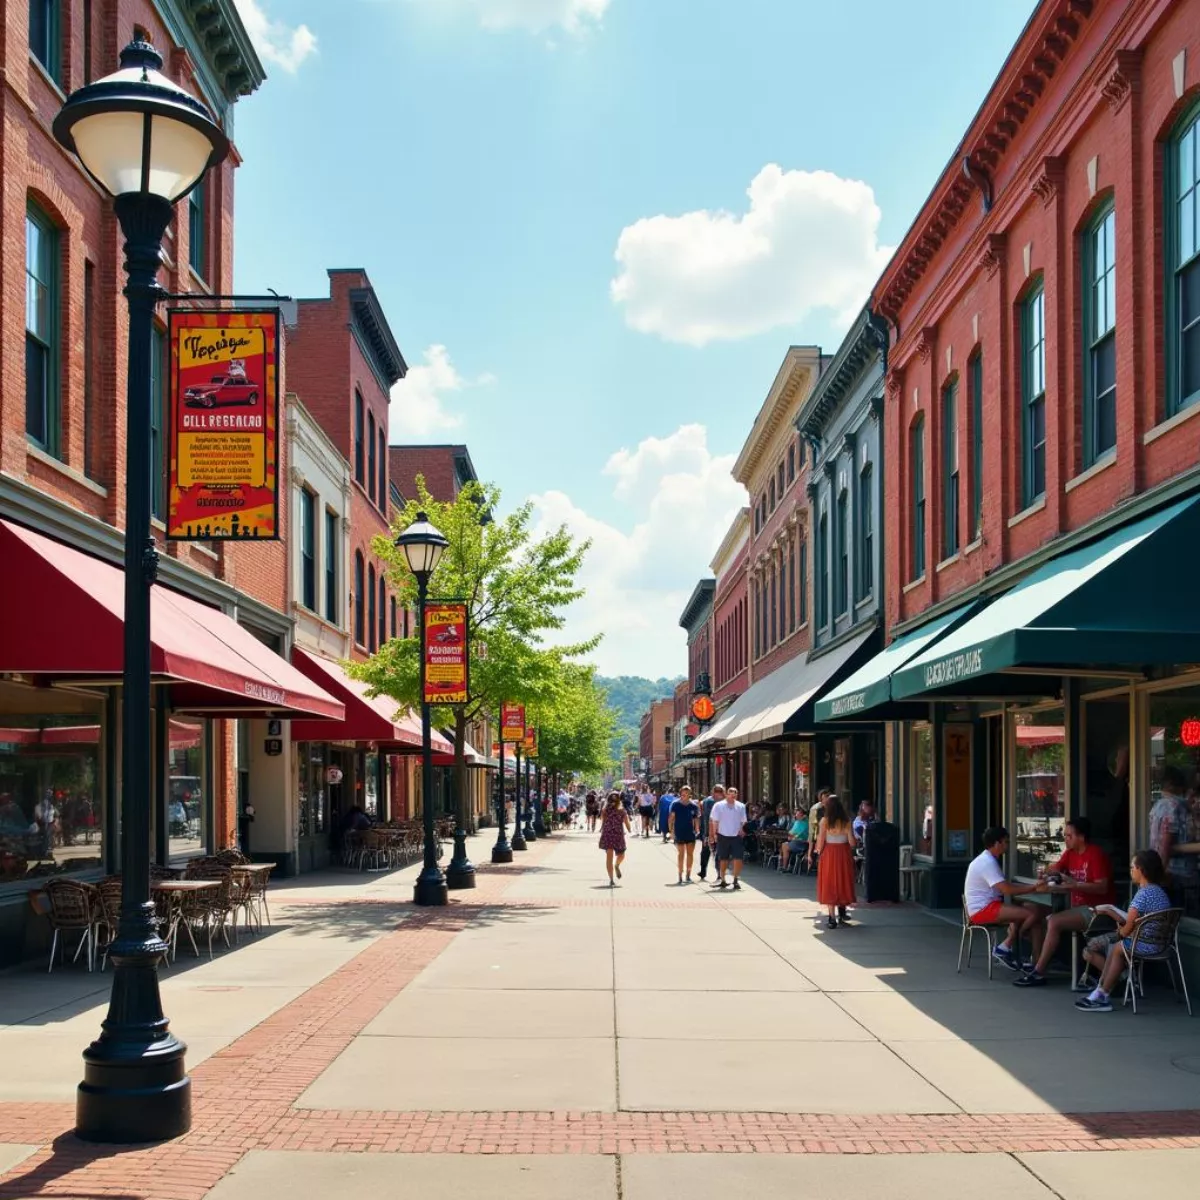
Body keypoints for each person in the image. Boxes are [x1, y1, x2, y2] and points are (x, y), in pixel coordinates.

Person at [1014, 816, 1114, 988]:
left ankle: (1039, 972)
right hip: (1077, 908)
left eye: (1069, 836)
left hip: (1098, 911)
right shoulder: (1070, 853)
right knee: (1039, 914)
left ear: (1081, 837)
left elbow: (1102, 887)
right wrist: (1048, 875)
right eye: (1065, 835)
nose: (1065, 839)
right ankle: (1040, 961)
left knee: (1054, 920)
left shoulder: (1095, 854)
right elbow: (1056, 870)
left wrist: (1076, 884)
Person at [1076, 849, 1173, 1012]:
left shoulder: (1142, 895)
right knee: (1118, 947)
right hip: (1162, 945)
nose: (1131, 871)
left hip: (1144, 944)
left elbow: (1128, 927)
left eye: (1132, 867)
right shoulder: (1160, 892)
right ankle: (1101, 990)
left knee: (1117, 947)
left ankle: (1102, 993)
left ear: (1141, 870)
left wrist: (1118, 932)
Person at [964, 826, 1048, 970]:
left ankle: (1036, 963)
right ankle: (1008, 944)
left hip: (989, 906)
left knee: (1035, 916)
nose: (1007, 845)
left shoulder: (987, 859)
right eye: (1006, 842)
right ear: (997, 844)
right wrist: (1034, 888)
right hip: (982, 910)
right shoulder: (987, 863)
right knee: (1033, 914)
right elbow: (1007, 890)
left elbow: (1004, 887)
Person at [1149, 765, 1195, 899]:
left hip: (1164, 869)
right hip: (1177, 872)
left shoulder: (1158, 805)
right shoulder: (1175, 806)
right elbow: (1166, 840)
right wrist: (1160, 873)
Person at [815, 794, 857, 928]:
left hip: (829, 854)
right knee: (843, 880)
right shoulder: (847, 821)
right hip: (843, 853)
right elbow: (852, 843)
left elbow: (821, 841)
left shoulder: (824, 821)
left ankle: (832, 918)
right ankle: (842, 910)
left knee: (829, 883)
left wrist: (818, 852)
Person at [709, 785, 747, 891]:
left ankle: (735, 880)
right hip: (723, 835)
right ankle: (723, 879)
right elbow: (714, 821)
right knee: (723, 859)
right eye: (730, 792)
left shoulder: (741, 806)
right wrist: (714, 834)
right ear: (726, 794)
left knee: (738, 858)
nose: (733, 794)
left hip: (736, 836)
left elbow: (743, 820)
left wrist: (742, 829)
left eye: (735, 793)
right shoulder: (719, 805)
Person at [669, 784, 701, 884]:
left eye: (687, 793)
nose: (685, 795)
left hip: (690, 832)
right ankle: (680, 874)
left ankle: (688, 874)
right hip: (679, 832)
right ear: (680, 793)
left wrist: (697, 830)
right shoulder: (676, 805)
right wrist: (671, 832)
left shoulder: (693, 806)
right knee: (681, 854)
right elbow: (671, 819)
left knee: (690, 854)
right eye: (683, 793)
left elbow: (696, 819)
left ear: (689, 794)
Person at [598, 790, 631, 886]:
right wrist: (629, 829)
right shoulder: (620, 810)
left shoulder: (611, 810)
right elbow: (626, 821)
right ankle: (613, 874)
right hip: (614, 834)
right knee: (617, 855)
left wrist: (602, 829)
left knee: (615, 856)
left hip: (612, 834)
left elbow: (602, 820)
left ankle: (614, 872)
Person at [698, 785, 723, 880]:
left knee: (707, 852)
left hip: (713, 831)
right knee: (717, 853)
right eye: (717, 791)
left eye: (719, 791)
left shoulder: (707, 801)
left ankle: (704, 871)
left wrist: (706, 834)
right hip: (719, 831)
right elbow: (707, 818)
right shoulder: (721, 802)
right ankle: (718, 874)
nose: (718, 793)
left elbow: (706, 818)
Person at [805, 790, 828, 872]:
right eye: (825, 797)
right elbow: (813, 827)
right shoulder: (816, 809)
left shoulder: (833, 807)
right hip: (819, 834)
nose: (827, 799)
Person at [779, 808, 809, 872]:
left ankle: (784, 867)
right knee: (784, 844)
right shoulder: (800, 821)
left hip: (801, 843)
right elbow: (791, 833)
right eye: (796, 814)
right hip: (800, 842)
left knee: (784, 846)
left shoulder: (803, 822)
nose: (796, 815)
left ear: (802, 815)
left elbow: (794, 834)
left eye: (797, 814)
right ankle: (789, 865)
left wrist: (792, 837)